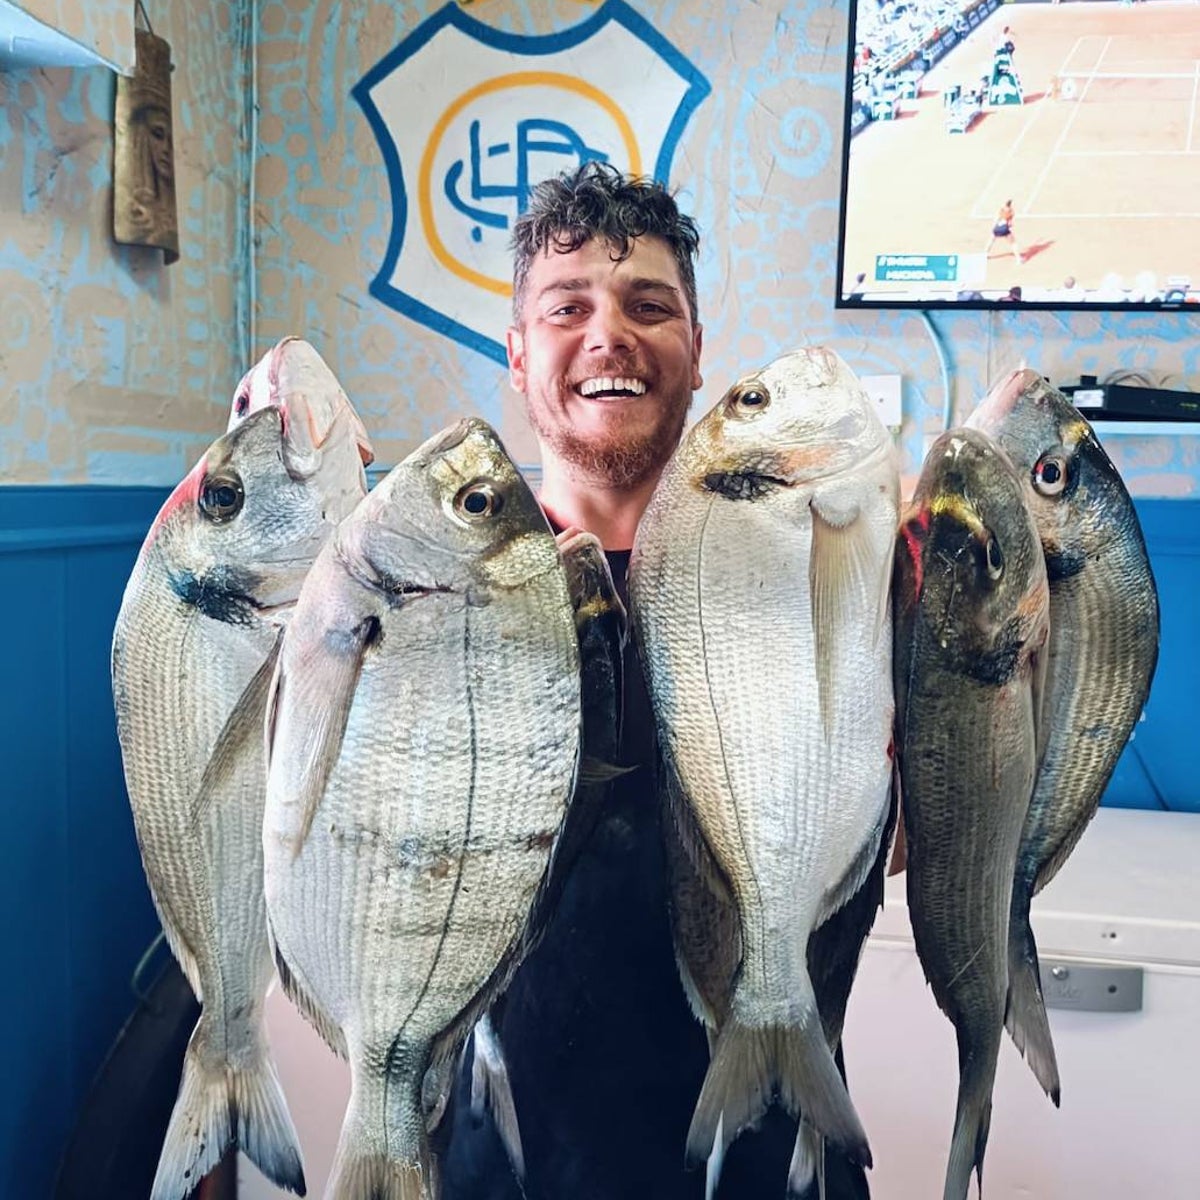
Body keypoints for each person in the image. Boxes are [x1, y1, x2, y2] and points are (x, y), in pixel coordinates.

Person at [438, 163, 873, 1199]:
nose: (608, 336)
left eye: (649, 306)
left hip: (775, 1156)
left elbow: (891, 843)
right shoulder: (439, 589)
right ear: (515, 354)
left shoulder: (809, 577)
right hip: (510, 1160)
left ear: (695, 352)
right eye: (567, 308)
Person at [986, 199, 1024, 263]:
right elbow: (1010, 224)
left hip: (997, 228)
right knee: (1013, 243)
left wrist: (994, 228)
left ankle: (985, 255)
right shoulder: (1011, 212)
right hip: (1004, 229)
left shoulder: (1001, 210)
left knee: (991, 241)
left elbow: (996, 219)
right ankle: (1018, 259)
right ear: (1010, 205)